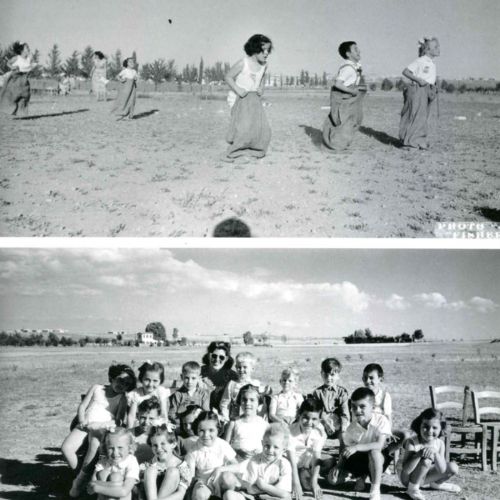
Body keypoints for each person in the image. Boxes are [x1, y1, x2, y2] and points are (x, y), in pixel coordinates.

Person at [62, 364, 136, 497]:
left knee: (94, 445)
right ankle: (80, 475)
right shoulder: (96, 388)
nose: (122, 385)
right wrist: (81, 420)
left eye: (126, 384)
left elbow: (118, 421)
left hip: (103, 428)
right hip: (85, 425)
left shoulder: (122, 398)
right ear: (111, 378)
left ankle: (79, 482)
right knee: (66, 448)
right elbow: (82, 406)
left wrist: (101, 424)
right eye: (120, 380)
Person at [328, 387, 393, 500]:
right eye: (354, 407)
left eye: (362, 406)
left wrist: (357, 447)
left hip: (378, 459)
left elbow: (379, 445)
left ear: (372, 407)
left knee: (374, 453)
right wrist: (339, 466)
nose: (357, 410)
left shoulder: (381, 420)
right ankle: (359, 476)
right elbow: (346, 451)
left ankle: (374, 490)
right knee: (332, 480)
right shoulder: (351, 429)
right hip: (360, 461)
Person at [224, 34, 272, 160]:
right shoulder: (243, 63)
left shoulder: (264, 65)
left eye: (268, 50)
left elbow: (262, 77)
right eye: (263, 50)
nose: (266, 53)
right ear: (255, 49)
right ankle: (234, 151)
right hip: (238, 98)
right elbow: (228, 77)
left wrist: (262, 87)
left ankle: (253, 149)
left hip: (253, 99)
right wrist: (238, 89)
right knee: (243, 126)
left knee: (259, 127)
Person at [217, 423, 293, 500]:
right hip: (252, 497)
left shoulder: (284, 464)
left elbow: (285, 494)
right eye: (267, 446)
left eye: (276, 447)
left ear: (283, 450)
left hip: (271, 498)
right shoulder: (255, 459)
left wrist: (264, 486)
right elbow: (239, 467)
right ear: (262, 443)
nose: (270, 450)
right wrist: (220, 469)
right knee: (228, 494)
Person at [397, 408, 460, 500]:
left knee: (453, 467)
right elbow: (406, 470)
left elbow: (442, 470)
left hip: (423, 475)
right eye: (425, 426)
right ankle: (412, 489)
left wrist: (435, 453)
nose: (430, 431)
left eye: (434, 428)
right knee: (426, 460)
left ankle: (436, 484)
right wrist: (419, 454)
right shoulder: (412, 442)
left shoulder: (440, 443)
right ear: (419, 426)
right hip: (407, 478)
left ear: (441, 429)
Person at [184, 411, 238, 500]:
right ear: (196, 430)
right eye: (202, 430)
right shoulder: (194, 450)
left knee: (229, 478)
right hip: (203, 482)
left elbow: (237, 466)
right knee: (199, 494)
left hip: (220, 480)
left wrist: (220, 469)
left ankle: (227, 497)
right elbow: (191, 476)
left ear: (218, 430)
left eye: (211, 430)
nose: (206, 435)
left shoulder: (222, 445)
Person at [322, 41, 366, 150]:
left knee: (352, 120)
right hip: (344, 97)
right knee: (343, 121)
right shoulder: (348, 68)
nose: (359, 51)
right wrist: (352, 92)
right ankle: (336, 146)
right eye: (355, 49)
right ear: (348, 54)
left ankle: (339, 144)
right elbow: (338, 83)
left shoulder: (354, 67)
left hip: (350, 98)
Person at [399, 37, 440, 149]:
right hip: (419, 90)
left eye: (438, 46)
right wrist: (418, 80)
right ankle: (411, 142)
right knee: (416, 115)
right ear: (427, 50)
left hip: (427, 90)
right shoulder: (420, 61)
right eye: (435, 47)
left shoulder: (431, 62)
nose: (438, 49)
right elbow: (405, 71)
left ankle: (417, 140)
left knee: (422, 117)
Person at [287, 398, 325, 500]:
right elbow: (291, 459)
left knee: (328, 463)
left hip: (306, 462)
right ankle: (296, 477)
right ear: (299, 415)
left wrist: (314, 482)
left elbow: (317, 457)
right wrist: (296, 483)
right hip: (291, 463)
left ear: (319, 420)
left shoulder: (320, 433)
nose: (309, 422)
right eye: (305, 417)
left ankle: (304, 472)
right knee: (289, 485)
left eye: (314, 419)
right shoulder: (290, 431)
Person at [86, 428, 140, 500]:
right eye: (111, 448)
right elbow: (90, 490)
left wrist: (96, 487)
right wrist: (116, 485)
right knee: (103, 473)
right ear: (105, 448)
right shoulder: (103, 462)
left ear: (129, 448)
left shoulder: (131, 461)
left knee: (115, 476)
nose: (115, 453)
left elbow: (124, 491)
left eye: (120, 447)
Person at [219, 352, 270, 423]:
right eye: (239, 367)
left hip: (253, 420)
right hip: (236, 420)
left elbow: (261, 405)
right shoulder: (232, 384)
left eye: (245, 367)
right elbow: (225, 403)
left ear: (252, 369)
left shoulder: (256, 384)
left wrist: (260, 418)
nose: (241, 370)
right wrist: (226, 419)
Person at [143, 424, 189, 500]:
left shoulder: (181, 466)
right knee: (150, 470)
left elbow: (181, 494)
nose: (159, 449)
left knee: (173, 471)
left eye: (163, 444)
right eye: (155, 445)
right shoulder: (150, 464)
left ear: (173, 444)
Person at [224, 384, 268, 461]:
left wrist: (259, 453)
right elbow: (225, 447)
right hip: (237, 461)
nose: (247, 403)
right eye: (244, 399)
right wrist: (237, 451)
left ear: (259, 403)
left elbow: (268, 446)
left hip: (257, 462)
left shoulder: (264, 424)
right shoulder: (234, 422)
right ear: (240, 402)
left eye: (252, 400)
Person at [311, 358, 350, 439]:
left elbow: (344, 412)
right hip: (323, 422)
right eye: (326, 374)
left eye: (332, 375)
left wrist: (343, 428)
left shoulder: (342, 392)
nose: (328, 378)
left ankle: (342, 449)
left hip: (338, 422)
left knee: (345, 434)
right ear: (321, 374)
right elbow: (318, 411)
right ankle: (316, 450)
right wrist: (326, 423)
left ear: (338, 376)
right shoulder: (317, 392)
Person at [0, 41, 40, 116]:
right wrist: (13, 67)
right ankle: (11, 108)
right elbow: (8, 63)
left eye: (28, 47)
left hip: (24, 79)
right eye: (27, 47)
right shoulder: (17, 58)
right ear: (22, 50)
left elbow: (30, 66)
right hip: (16, 77)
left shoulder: (29, 58)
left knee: (26, 95)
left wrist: (33, 66)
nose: (28, 48)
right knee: (15, 95)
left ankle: (20, 111)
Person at [127, 361, 170, 428]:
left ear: (160, 381)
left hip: (156, 424)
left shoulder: (161, 392)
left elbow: (163, 414)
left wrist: (163, 429)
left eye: (155, 381)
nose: (150, 384)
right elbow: (131, 416)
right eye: (147, 380)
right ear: (141, 379)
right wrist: (129, 433)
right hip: (139, 425)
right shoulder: (135, 394)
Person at [200, 341, 238, 412]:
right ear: (209, 355)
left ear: (226, 359)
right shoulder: (199, 372)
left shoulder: (233, 376)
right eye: (214, 356)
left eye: (221, 357)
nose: (217, 360)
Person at [132, 397, 162, 465]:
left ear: (158, 418)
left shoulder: (160, 435)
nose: (146, 422)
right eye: (143, 417)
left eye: (151, 418)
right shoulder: (130, 435)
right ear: (137, 416)